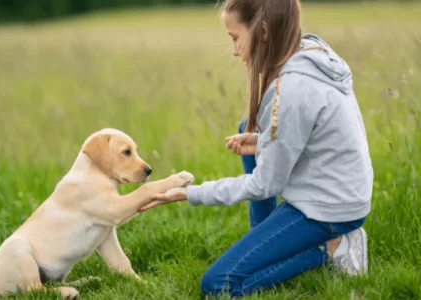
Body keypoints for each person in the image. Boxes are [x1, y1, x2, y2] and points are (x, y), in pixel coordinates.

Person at [139, 0, 373, 297]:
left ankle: (332, 248)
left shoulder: (292, 89)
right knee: (245, 128)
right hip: (341, 187)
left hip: (330, 207)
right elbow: (313, 135)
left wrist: (189, 193)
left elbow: (264, 185)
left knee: (218, 285)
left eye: (235, 38)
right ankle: (264, 241)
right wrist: (264, 143)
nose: (234, 51)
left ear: (263, 31)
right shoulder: (308, 50)